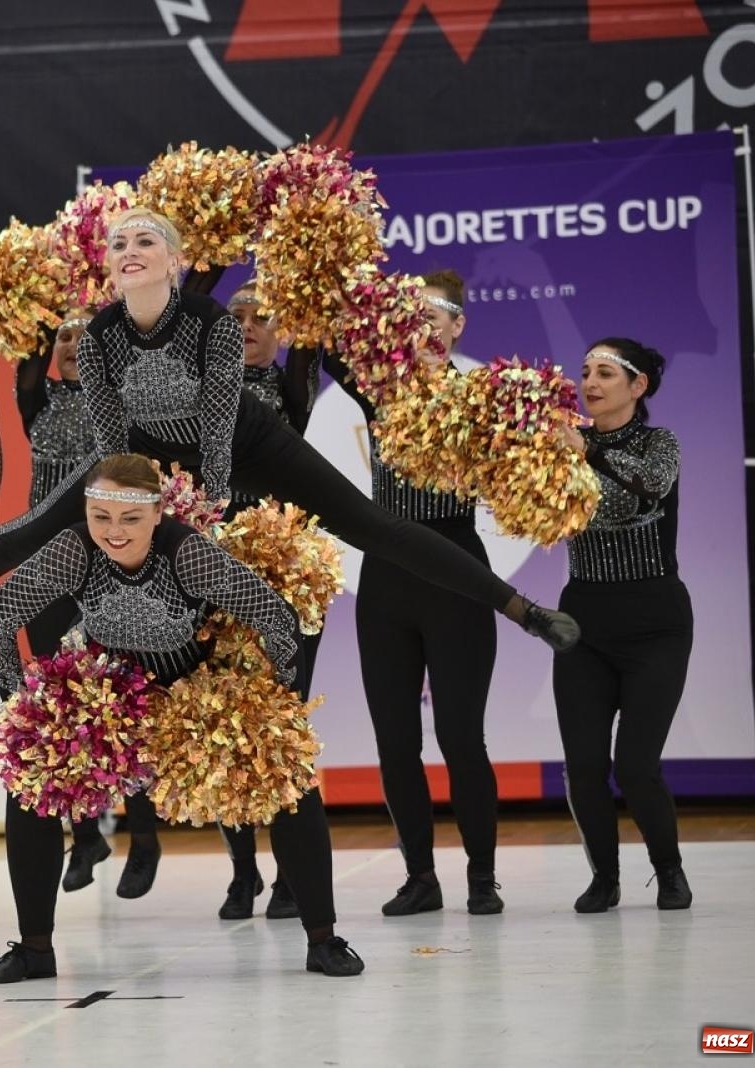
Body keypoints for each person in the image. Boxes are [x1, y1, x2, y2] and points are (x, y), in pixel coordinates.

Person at [0, 207, 578, 666]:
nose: (130, 248)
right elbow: (112, 438)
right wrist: (132, 506)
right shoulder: (96, 337)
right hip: (142, 454)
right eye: (119, 241)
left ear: (174, 260)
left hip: (244, 441)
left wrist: (209, 504)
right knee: (30, 529)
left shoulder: (211, 323)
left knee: (374, 525)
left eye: (146, 240)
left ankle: (525, 613)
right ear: (111, 264)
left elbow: (220, 425)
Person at [0, 454, 365, 982]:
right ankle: (35, 950)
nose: (113, 533)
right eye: (101, 517)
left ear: (158, 513)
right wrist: (23, 706)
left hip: (197, 699)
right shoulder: (72, 550)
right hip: (112, 701)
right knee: (32, 786)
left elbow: (276, 617)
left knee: (291, 784)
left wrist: (283, 705)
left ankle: (323, 939)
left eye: (130, 518)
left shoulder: (189, 555)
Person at [323, 269, 504, 917]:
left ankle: (482, 877)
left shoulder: (483, 395)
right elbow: (326, 347)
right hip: (389, 575)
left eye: (437, 314)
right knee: (396, 739)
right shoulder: (379, 391)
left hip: (457, 569)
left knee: (461, 737)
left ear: (459, 326)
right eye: (412, 314)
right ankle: (420, 877)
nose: (424, 324)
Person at [16, 309, 162, 897]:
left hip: (110, 568)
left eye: (85, 335)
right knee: (58, 705)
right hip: (52, 575)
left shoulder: (123, 403)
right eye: (64, 337)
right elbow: (22, 356)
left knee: (128, 701)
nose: (74, 344)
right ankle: (85, 834)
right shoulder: (38, 402)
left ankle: (145, 836)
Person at [555, 338, 693, 913]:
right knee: (584, 764)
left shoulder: (660, 444)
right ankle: (604, 877)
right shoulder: (556, 445)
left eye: (606, 373)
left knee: (635, 766)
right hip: (583, 622)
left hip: (655, 622)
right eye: (585, 371)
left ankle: (669, 869)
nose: (590, 381)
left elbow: (637, 495)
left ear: (637, 387)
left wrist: (582, 449)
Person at [216, 281, 320, 922]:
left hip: (285, 580)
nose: (250, 325)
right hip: (214, 573)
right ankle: (243, 872)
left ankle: (288, 875)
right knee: (220, 721)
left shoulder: (290, 390)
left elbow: (312, 338)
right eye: (237, 317)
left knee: (281, 723)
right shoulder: (200, 390)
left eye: (263, 317)